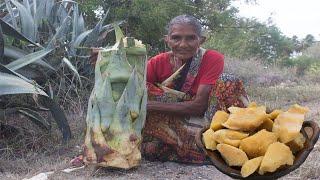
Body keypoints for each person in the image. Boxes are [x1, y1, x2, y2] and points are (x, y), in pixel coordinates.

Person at [141, 14, 248, 164]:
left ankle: (220, 143)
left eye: (191, 38)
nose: (183, 44)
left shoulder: (212, 58)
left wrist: (146, 106)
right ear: (167, 40)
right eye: (176, 38)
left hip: (206, 121)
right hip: (176, 121)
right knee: (142, 89)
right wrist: (105, 60)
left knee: (228, 81)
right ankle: (177, 145)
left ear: (201, 40)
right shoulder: (158, 62)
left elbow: (199, 107)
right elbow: (132, 88)